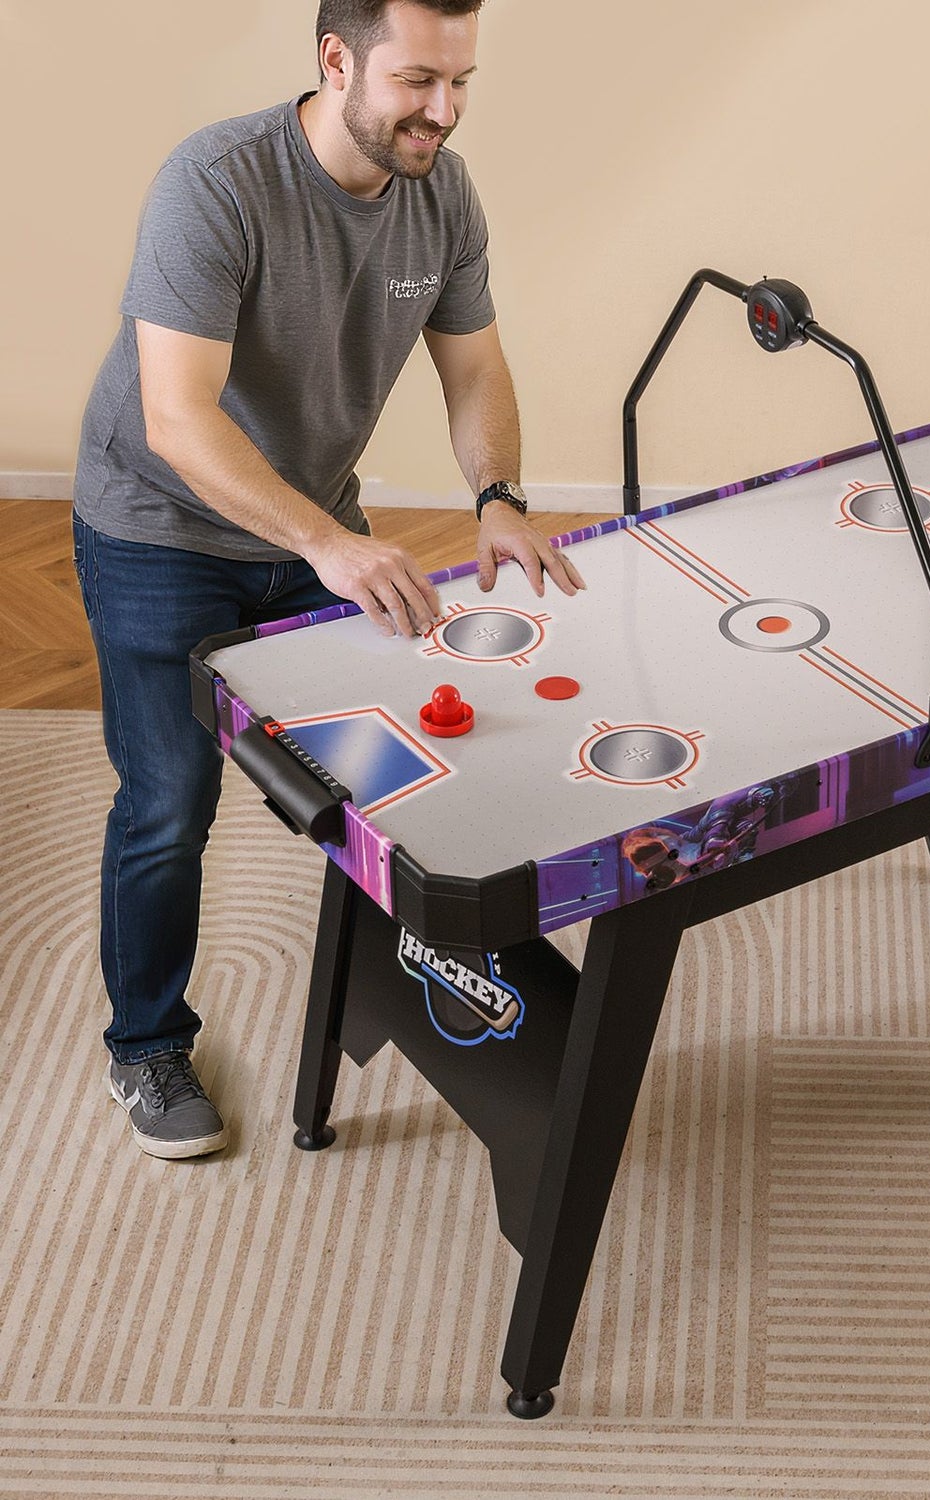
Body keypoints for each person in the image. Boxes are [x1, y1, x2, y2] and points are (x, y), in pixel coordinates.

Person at [74, 0, 583, 1160]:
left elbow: (477, 368)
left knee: (406, 772)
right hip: (161, 533)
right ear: (336, 59)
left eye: (461, 83)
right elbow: (176, 418)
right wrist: (328, 546)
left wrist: (496, 497)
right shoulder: (216, 184)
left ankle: (434, 976)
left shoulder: (442, 191)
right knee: (168, 807)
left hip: (311, 528)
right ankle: (145, 1046)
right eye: (416, 82)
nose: (442, 113)